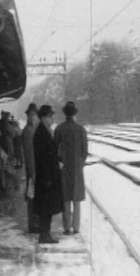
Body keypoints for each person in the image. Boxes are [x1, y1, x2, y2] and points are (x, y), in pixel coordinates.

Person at [54, 101, 88, 235]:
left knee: (65, 198)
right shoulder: (81, 129)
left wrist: (60, 160)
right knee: (76, 199)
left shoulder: (59, 129)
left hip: (64, 168)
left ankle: (67, 227)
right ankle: (76, 227)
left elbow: (54, 148)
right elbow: (85, 151)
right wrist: (79, 162)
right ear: (75, 114)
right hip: (77, 168)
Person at [33, 105, 63, 244]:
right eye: (50, 116)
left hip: (48, 175)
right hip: (46, 177)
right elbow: (43, 158)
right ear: (44, 118)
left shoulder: (44, 131)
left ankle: (45, 233)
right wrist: (48, 178)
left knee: (47, 206)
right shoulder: (41, 134)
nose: (52, 118)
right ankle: (44, 235)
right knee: (46, 207)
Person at [22, 103, 40, 233]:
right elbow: (29, 153)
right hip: (32, 169)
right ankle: (33, 225)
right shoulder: (28, 131)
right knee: (32, 196)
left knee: (35, 196)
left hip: (37, 167)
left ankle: (35, 223)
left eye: (34, 115)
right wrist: (32, 172)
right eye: (31, 115)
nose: (33, 117)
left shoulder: (34, 129)